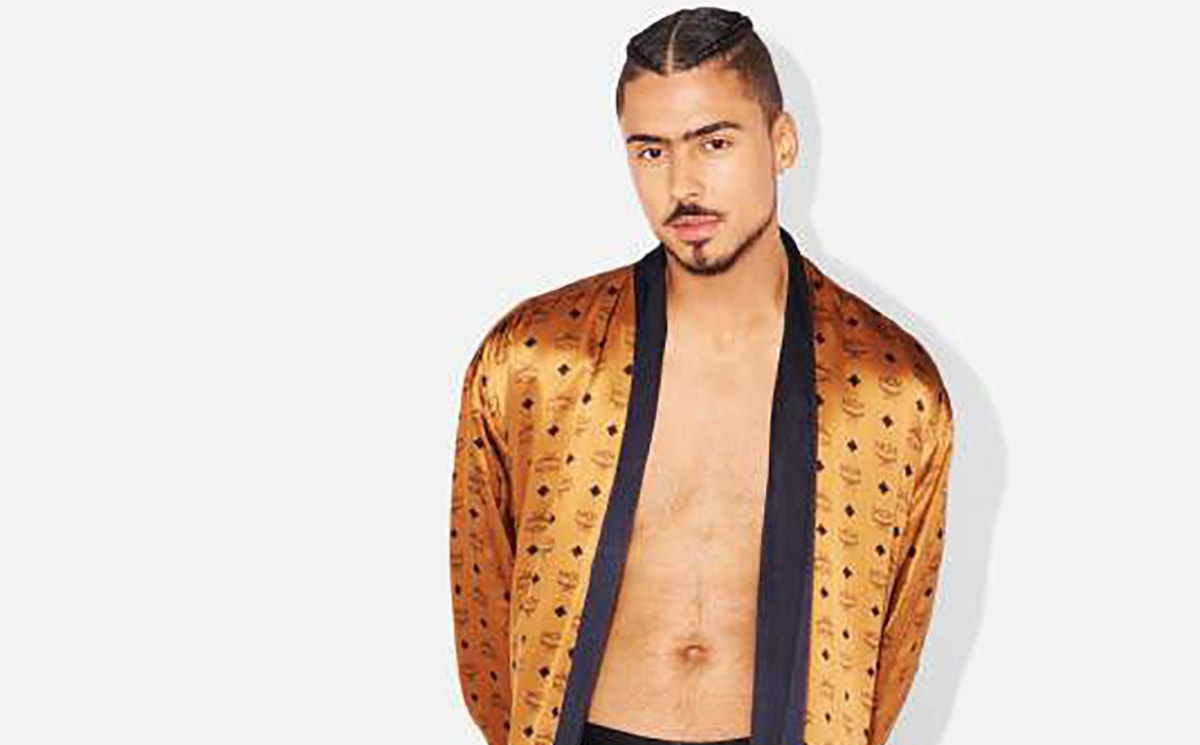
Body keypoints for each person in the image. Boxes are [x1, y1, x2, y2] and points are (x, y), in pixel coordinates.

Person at [448, 8, 955, 745]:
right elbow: (485, 615)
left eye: (714, 143)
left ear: (782, 142)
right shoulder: (535, 360)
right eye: (650, 151)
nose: (682, 184)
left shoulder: (888, 391)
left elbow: (889, 645)